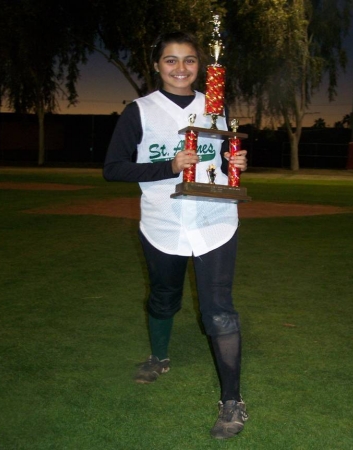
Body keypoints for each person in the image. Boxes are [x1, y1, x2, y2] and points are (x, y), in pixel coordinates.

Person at [103, 31, 248, 440]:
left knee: (219, 309)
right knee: (164, 298)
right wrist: (168, 166)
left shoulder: (215, 106)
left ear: (200, 66)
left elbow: (222, 156)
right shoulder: (140, 111)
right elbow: (113, 168)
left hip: (215, 218)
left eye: (189, 60)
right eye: (171, 60)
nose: (180, 68)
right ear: (156, 65)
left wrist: (235, 159)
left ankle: (232, 401)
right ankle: (159, 356)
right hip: (163, 220)